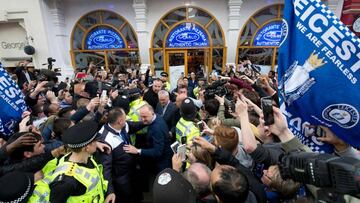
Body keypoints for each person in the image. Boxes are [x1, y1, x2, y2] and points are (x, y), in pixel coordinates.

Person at [29, 121, 109, 203]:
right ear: (87, 148)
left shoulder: (85, 156)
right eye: (95, 141)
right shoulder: (66, 182)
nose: (97, 143)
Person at [98, 107, 145, 203]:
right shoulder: (105, 140)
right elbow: (106, 169)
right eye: (125, 118)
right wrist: (110, 191)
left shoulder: (121, 126)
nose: (127, 119)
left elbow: (132, 126)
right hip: (121, 180)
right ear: (119, 121)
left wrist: (146, 122)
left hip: (130, 172)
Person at [124, 104, 172, 172]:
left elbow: (157, 151)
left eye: (145, 117)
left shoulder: (156, 129)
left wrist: (137, 151)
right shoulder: (157, 117)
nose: (143, 119)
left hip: (162, 164)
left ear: (152, 113)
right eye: (141, 117)